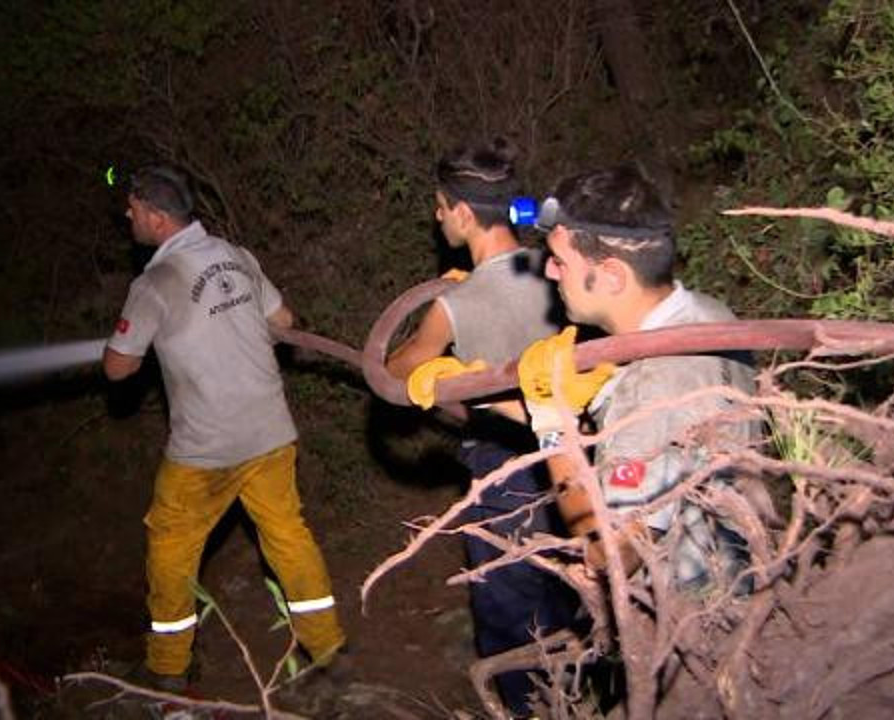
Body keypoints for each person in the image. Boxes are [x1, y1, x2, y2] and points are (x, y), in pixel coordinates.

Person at [104, 164, 345, 690]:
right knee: (288, 537)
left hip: (205, 450)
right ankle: (326, 653)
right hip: (270, 432)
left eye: (133, 208)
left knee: (170, 549)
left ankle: (168, 671)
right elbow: (284, 322)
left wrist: (133, 339)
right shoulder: (237, 256)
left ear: (156, 216)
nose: (128, 215)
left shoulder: (155, 282)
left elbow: (117, 367)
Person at [386, 139, 580, 717]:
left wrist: (442, 315)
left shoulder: (458, 302)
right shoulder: (561, 270)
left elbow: (399, 370)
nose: (437, 216)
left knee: (509, 608)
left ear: (464, 214)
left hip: (505, 470)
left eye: (441, 207)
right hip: (574, 450)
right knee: (572, 587)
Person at [517, 165, 760, 589]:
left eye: (560, 262)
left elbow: (608, 553)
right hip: (742, 574)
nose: (550, 273)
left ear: (612, 275)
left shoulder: (658, 381)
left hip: (695, 623)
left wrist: (553, 428)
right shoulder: (706, 313)